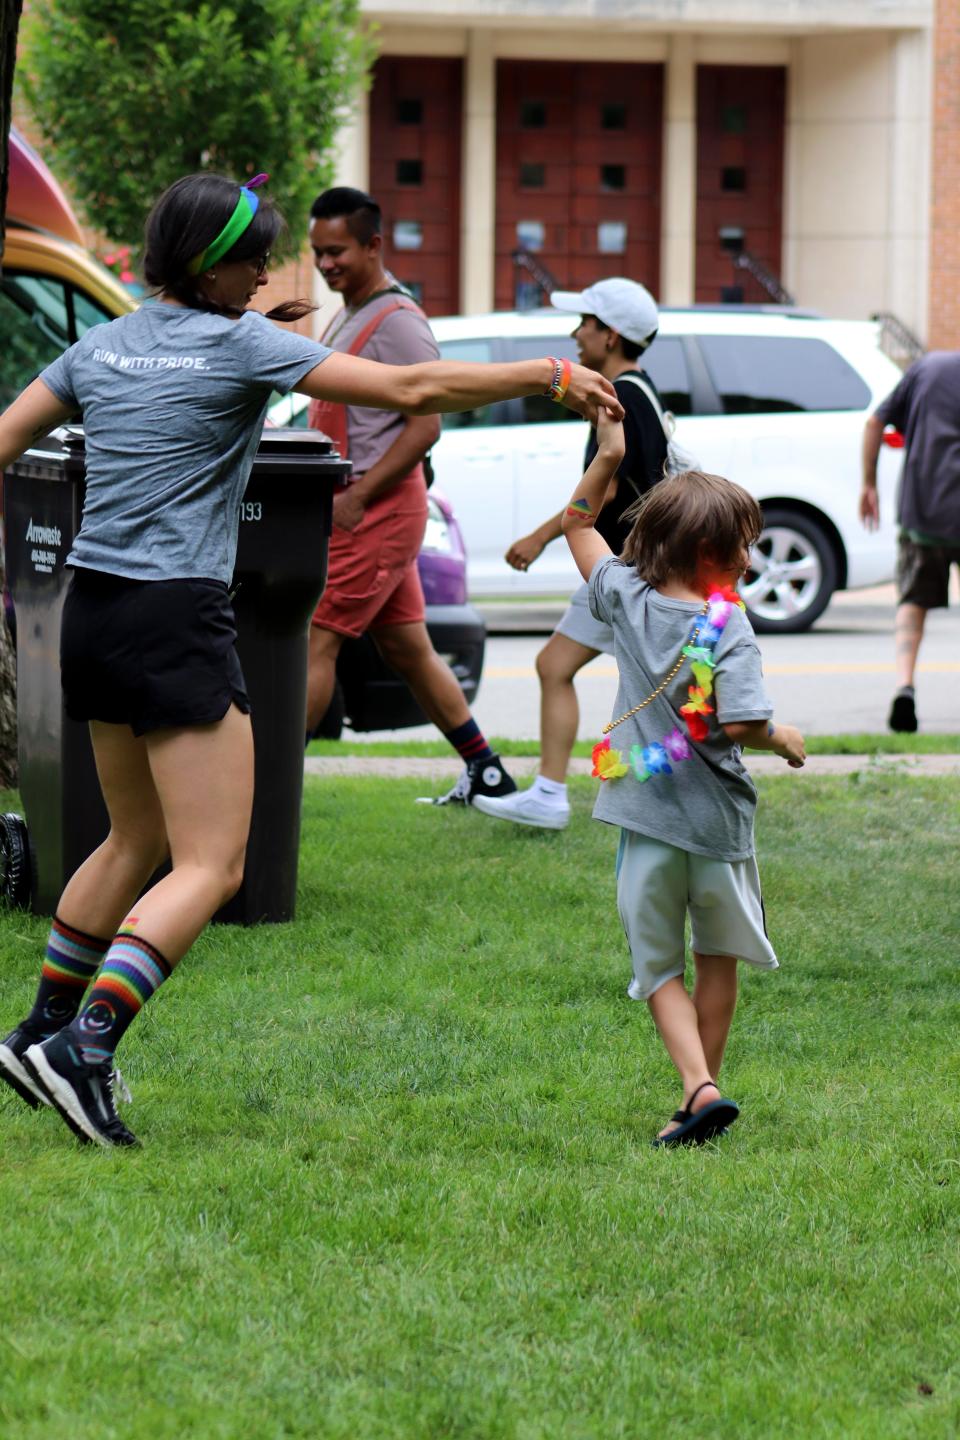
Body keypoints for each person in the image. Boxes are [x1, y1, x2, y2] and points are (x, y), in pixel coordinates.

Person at [0, 171, 620, 1148]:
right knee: (213, 863)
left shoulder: (102, 342)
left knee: (130, 842)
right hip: (176, 613)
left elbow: (4, 442)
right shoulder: (244, 343)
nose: (261, 278)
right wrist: (544, 374)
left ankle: (36, 1028)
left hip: (92, 607)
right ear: (212, 262)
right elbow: (413, 390)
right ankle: (83, 1050)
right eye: (251, 260)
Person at [561, 411, 805, 1145]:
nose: (749, 559)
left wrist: (607, 456)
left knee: (658, 968)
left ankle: (698, 1091)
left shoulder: (624, 598)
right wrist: (783, 736)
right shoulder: (729, 625)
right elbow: (739, 725)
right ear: (711, 554)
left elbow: (576, 525)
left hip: (647, 820)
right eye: (744, 547)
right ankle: (703, 1094)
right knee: (717, 956)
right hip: (718, 829)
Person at [305, 186, 514, 806]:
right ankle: (488, 773)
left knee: (317, 638)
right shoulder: (346, 311)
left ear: (374, 244)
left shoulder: (399, 323)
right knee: (407, 646)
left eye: (336, 251)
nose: (325, 265)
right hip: (362, 505)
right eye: (317, 252)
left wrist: (358, 497)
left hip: (377, 509)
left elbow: (427, 424)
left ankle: (266, 785)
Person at [472, 278, 668, 831]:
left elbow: (602, 488)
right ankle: (550, 792)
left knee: (575, 672)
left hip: (626, 570)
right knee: (566, 668)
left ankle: (553, 795)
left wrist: (540, 537)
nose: (576, 334)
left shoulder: (620, 396)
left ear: (609, 334)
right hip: (633, 566)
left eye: (584, 323)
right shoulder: (640, 389)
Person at [860, 351, 960, 733]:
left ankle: (905, 685)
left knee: (913, 602)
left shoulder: (925, 369)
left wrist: (868, 484)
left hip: (924, 510)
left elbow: (875, 422)